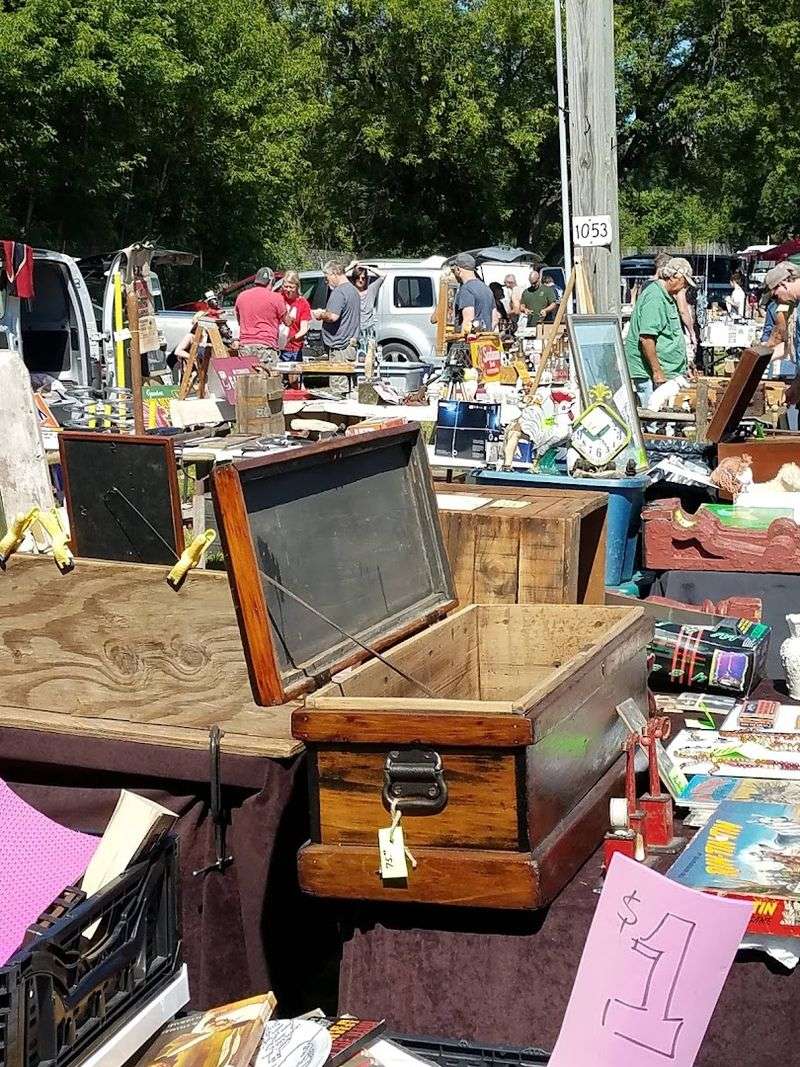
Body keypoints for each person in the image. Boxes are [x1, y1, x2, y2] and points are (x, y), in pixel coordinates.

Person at [625, 255, 696, 407]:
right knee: (653, 416)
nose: (685, 288)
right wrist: (657, 372)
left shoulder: (667, 296)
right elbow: (646, 338)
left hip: (663, 371)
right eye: (685, 283)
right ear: (675, 276)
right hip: (649, 373)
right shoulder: (655, 297)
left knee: (664, 415)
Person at [234, 266, 287, 368]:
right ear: (271, 281)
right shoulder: (276, 298)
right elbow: (287, 321)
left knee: (247, 381)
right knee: (268, 381)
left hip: (245, 347)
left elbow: (239, 320)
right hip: (266, 347)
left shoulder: (241, 296)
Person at [312, 260, 361, 361]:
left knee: (338, 377)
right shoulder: (353, 290)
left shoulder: (339, 291)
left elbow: (333, 317)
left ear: (334, 273)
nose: (326, 281)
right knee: (347, 376)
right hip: (349, 346)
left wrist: (320, 314)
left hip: (340, 349)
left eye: (327, 277)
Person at [451, 252, 496, 332]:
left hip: (470, 342)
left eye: (453, 270)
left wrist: (462, 342)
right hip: (486, 339)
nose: (453, 273)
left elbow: (468, 320)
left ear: (458, 270)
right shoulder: (486, 288)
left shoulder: (466, 289)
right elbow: (495, 319)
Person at [348, 261, 386, 354]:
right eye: (358, 278)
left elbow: (383, 275)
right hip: (354, 331)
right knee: (354, 356)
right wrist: (351, 266)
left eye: (363, 278)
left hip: (368, 330)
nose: (360, 280)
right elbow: (339, 278)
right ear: (354, 278)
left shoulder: (371, 290)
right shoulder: (350, 290)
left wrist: (367, 267)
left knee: (369, 356)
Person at [278, 270, 311, 361]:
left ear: (297, 287)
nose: (288, 290)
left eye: (291, 287)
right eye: (286, 286)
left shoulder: (303, 303)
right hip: (276, 347)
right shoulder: (278, 299)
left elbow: (304, 329)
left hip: (293, 349)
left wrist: (291, 339)